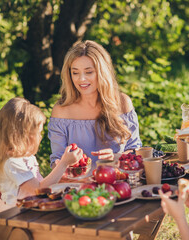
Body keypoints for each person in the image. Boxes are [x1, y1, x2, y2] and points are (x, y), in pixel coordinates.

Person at [48, 40, 142, 168]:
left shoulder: (122, 103)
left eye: (89, 72)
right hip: (78, 185)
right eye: (75, 72)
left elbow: (136, 151)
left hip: (118, 182)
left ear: (102, 72)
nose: (81, 79)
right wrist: (66, 165)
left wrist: (116, 157)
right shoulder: (62, 110)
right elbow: (56, 162)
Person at [0, 97, 82, 212]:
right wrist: (63, 163)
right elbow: (39, 189)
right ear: (23, 135)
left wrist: (61, 172)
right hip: (15, 218)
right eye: (38, 132)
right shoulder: (12, 162)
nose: (41, 136)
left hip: (30, 211)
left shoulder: (25, 157)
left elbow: (41, 184)